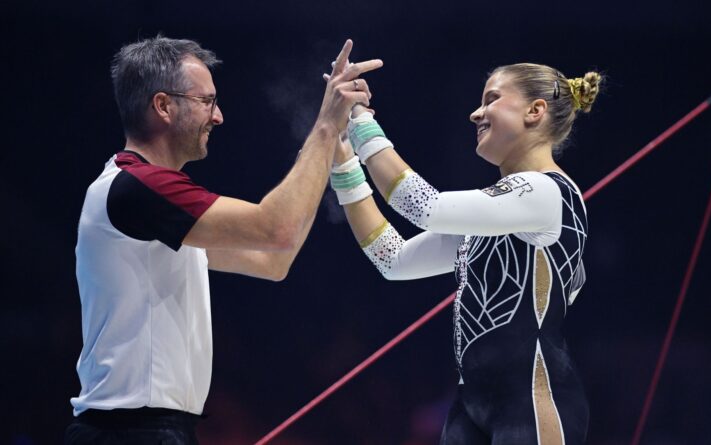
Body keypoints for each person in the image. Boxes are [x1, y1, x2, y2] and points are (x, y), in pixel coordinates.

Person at [67, 36, 381, 444]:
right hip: (129, 432)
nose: (218, 117)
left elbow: (273, 259)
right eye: (206, 101)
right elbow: (277, 228)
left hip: (150, 429)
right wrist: (325, 125)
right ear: (163, 106)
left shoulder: (151, 201)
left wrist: (329, 145)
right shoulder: (137, 187)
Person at [329, 64, 600, 444]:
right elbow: (395, 259)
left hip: (533, 401)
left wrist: (359, 121)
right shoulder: (499, 213)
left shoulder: (545, 193)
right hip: (469, 405)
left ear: (534, 111)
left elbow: (424, 206)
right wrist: (343, 163)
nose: (476, 113)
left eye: (491, 99)